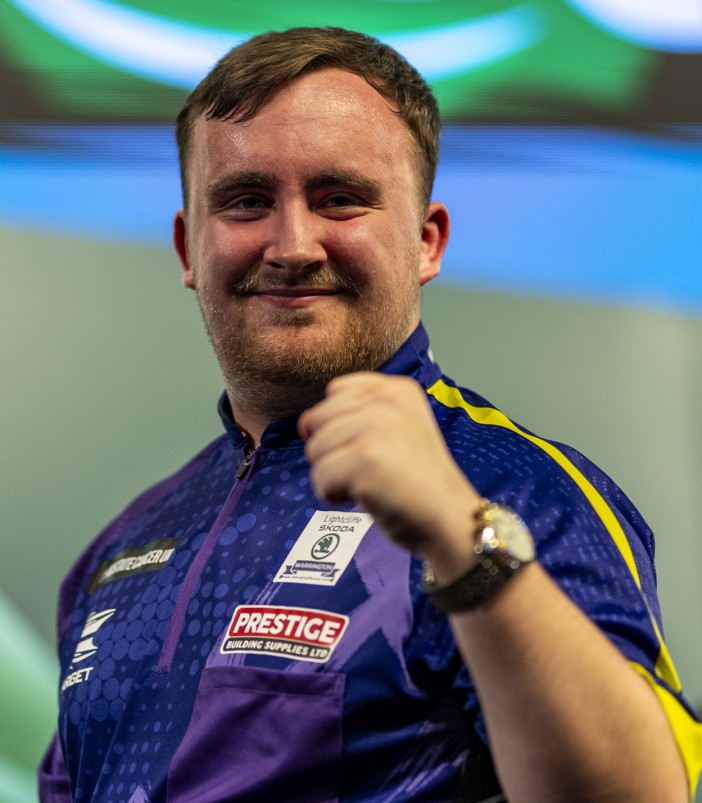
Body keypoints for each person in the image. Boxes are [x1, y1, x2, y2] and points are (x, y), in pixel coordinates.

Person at [40, 27, 700, 803]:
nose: (292, 244)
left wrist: (466, 542)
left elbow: (643, 794)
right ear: (190, 247)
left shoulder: (520, 491)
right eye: (248, 200)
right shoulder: (123, 548)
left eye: (339, 199)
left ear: (426, 241)